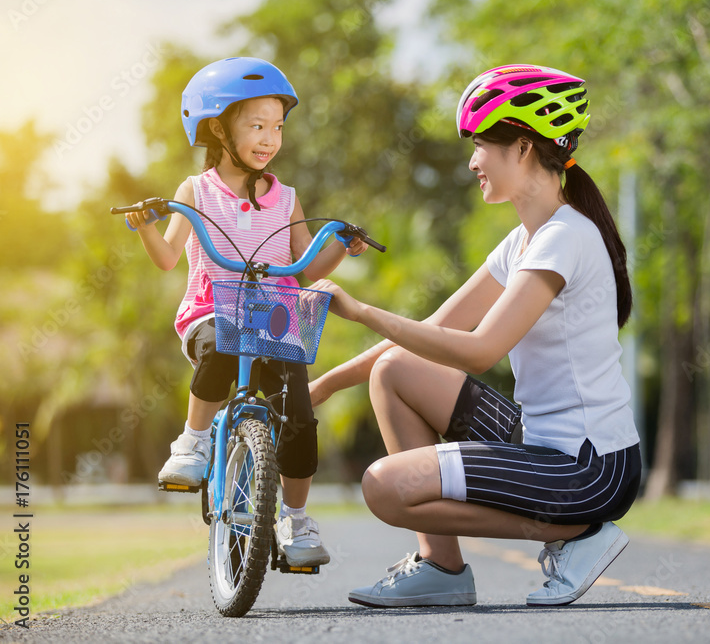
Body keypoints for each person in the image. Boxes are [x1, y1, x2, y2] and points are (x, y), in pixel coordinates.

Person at [308, 64, 641, 607]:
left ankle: (576, 534)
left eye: (481, 144)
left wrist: (363, 311)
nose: (472, 161)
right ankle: (442, 567)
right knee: (394, 372)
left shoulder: (566, 237)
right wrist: (320, 388)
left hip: (588, 468)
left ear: (524, 147)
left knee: (384, 486)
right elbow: (435, 331)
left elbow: (482, 350)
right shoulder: (524, 241)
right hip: (541, 442)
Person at [125, 57, 367, 567]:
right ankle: (191, 443)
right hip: (211, 313)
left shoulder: (287, 198)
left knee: (299, 418)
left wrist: (341, 245)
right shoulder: (197, 191)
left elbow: (305, 267)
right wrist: (147, 225)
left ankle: (296, 521)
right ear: (218, 128)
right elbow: (169, 258)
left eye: (277, 126)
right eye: (256, 125)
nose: (269, 138)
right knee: (220, 341)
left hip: (275, 322)